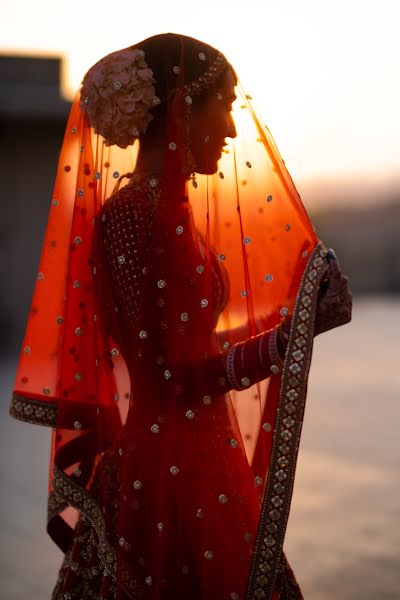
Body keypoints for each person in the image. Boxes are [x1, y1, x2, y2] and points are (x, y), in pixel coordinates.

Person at [9, 33, 352, 600]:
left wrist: (296, 325)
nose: (233, 129)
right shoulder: (128, 218)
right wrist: (284, 342)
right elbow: (171, 377)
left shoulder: (171, 214)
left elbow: (198, 347)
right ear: (181, 109)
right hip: (165, 471)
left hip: (201, 458)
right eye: (225, 104)